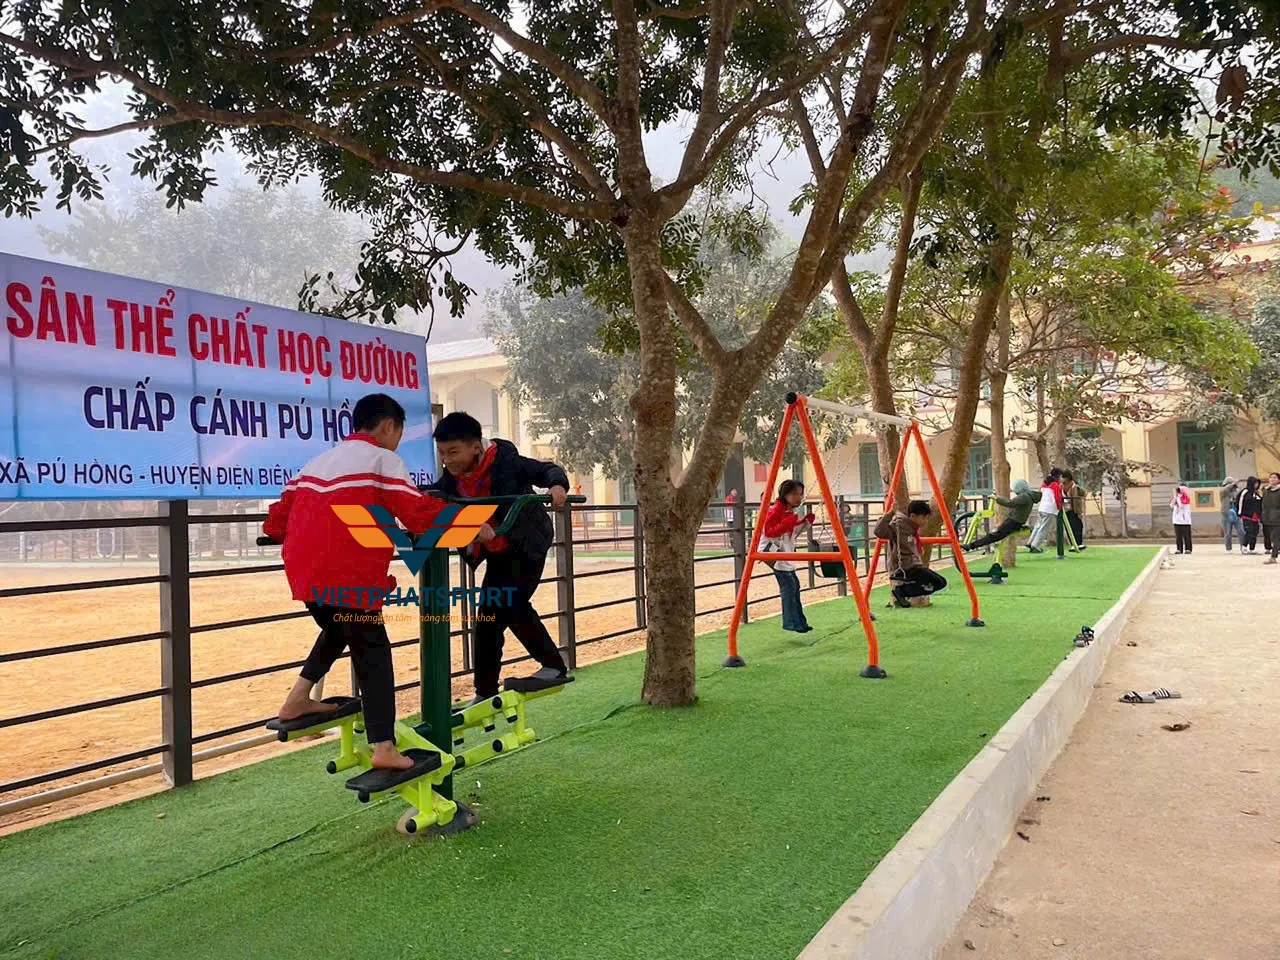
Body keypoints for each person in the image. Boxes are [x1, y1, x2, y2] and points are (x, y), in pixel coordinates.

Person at [264, 393, 467, 772]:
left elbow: (276, 520)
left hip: (304, 572)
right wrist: (470, 522)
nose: (397, 443)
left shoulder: (315, 464)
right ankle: (384, 746)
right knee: (373, 651)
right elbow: (417, 512)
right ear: (388, 426)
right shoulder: (382, 460)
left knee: (339, 628)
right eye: (399, 434)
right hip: (347, 575)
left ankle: (297, 699)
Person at [429, 412, 572, 702]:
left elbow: (546, 469)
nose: (447, 460)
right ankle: (485, 692)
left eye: (453, 452)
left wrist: (557, 486)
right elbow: (433, 497)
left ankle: (554, 667)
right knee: (489, 617)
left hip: (526, 543)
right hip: (498, 551)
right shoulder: (452, 478)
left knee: (510, 604)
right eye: (442, 453)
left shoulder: (506, 462)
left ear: (476, 447)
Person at [761, 480, 815, 633]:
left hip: (782, 551)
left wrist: (805, 523)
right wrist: (790, 522)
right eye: (794, 494)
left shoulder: (788, 511)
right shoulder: (776, 510)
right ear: (785, 495)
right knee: (789, 586)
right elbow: (769, 531)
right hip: (772, 551)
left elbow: (791, 533)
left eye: (800, 494)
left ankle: (800, 622)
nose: (798, 497)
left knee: (794, 585)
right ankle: (792, 623)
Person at [874, 499, 947, 608]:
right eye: (924, 517)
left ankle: (902, 592)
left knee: (940, 582)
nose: (926, 521)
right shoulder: (899, 525)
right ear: (913, 516)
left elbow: (910, 543)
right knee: (939, 582)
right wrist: (890, 514)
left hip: (914, 565)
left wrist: (918, 551)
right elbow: (879, 531)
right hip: (904, 567)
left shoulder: (912, 527)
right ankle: (901, 591)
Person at [963, 479, 1040, 551]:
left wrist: (996, 498)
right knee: (995, 535)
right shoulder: (1029, 496)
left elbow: (1010, 503)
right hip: (1016, 522)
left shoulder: (1024, 496)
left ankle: (971, 546)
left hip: (1013, 522)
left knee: (993, 536)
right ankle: (971, 545)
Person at [1026, 470, 1063, 553]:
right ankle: (1035, 545)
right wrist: (1059, 507)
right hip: (1049, 509)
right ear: (1057, 476)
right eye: (1060, 476)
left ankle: (1030, 542)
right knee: (1044, 528)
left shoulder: (1044, 484)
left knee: (1038, 526)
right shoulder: (1055, 485)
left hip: (1041, 508)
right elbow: (1057, 497)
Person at [1061, 471, 1087, 551]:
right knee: (1069, 527)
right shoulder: (1061, 487)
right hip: (1065, 510)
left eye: (1065, 481)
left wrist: (1080, 510)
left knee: (1078, 526)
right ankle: (1073, 544)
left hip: (1074, 510)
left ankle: (1079, 543)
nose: (1063, 482)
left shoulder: (1075, 487)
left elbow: (1084, 493)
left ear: (1069, 480)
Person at [1238, 476, 1264, 554]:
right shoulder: (1245, 492)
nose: (1256, 485)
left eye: (1257, 484)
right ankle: (1244, 547)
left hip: (1255, 516)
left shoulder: (1257, 493)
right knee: (1249, 531)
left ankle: (1252, 548)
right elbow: (1240, 502)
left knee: (1255, 532)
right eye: (1255, 483)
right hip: (1247, 515)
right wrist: (1240, 512)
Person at [1220, 476, 1245, 554]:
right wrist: (1232, 484)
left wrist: (1236, 486)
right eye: (1229, 484)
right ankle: (1228, 549)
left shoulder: (1236, 491)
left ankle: (1243, 547)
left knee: (1241, 531)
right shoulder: (1223, 491)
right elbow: (1225, 489)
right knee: (1228, 533)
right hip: (1226, 513)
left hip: (1236, 514)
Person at [1262, 472, 1280, 565]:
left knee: (1275, 538)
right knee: (1273, 538)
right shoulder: (1266, 491)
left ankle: (1273, 557)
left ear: (1278, 480)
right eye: (1271, 477)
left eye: (1274, 477)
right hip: (1268, 517)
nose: (1272, 479)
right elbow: (1264, 504)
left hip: (1277, 518)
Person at [1170, 483, 1193, 554]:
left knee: (1187, 536)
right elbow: (1171, 505)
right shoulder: (1176, 498)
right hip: (1177, 520)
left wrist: (1178, 498)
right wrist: (1175, 497)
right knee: (1178, 536)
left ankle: (1188, 549)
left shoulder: (1186, 498)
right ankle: (1179, 549)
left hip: (1185, 521)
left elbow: (1181, 506)